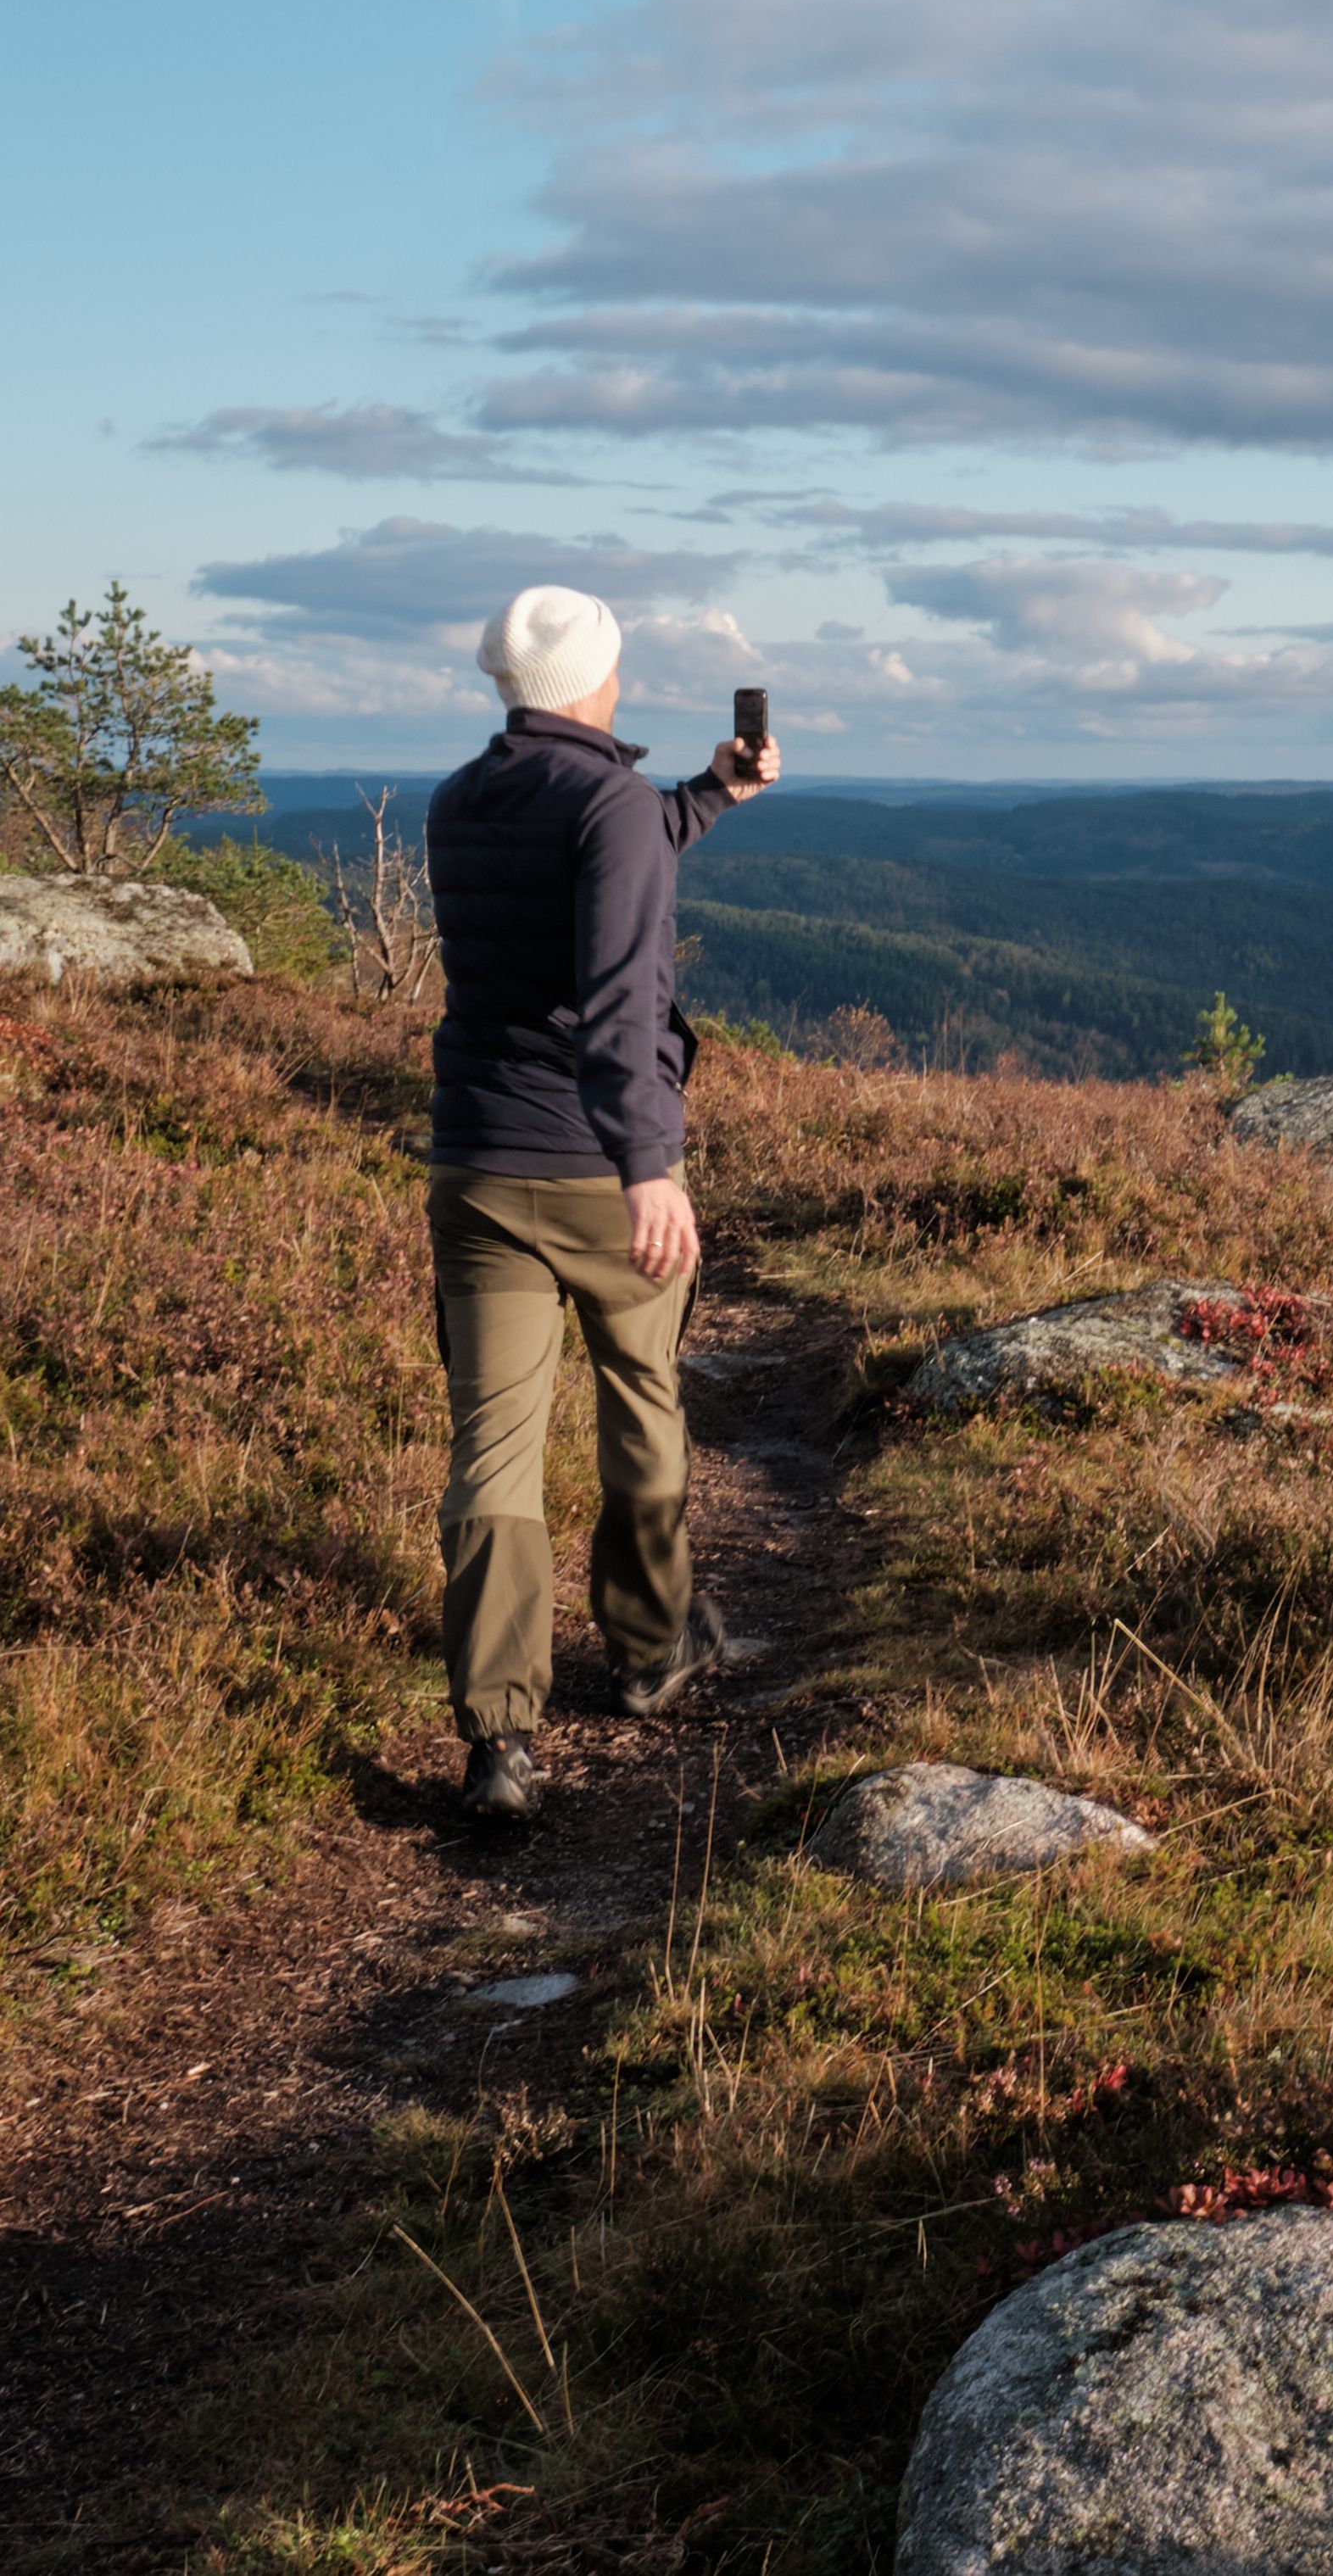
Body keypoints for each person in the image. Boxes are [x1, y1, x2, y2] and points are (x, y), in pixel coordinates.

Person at [421, 585, 780, 1824]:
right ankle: (645, 1648)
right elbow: (622, 990)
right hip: (594, 1168)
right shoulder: (609, 803)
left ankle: (497, 1742)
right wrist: (648, 1162)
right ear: (599, 675)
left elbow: (586, 876)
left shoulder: (462, 799)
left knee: (496, 1449)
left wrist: (709, 794)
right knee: (642, 1397)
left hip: (475, 1163)